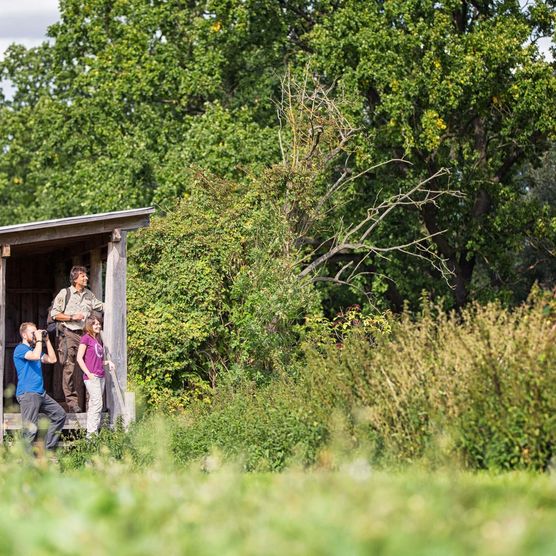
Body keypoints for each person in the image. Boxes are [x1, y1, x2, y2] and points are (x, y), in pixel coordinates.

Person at [50, 266, 104, 413]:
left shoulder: (89, 295)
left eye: (86, 275)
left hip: (86, 335)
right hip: (69, 333)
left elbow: (102, 306)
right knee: (70, 368)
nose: (86, 278)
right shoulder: (65, 293)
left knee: (91, 366)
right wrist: (73, 317)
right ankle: (72, 403)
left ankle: (91, 402)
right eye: (83, 276)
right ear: (75, 279)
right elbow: (55, 314)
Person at [13, 322, 66, 452]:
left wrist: (47, 341)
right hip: (28, 394)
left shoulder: (34, 349)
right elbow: (35, 356)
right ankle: (27, 463)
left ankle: (48, 451)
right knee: (30, 429)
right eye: (33, 332)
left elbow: (53, 360)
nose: (36, 334)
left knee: (60, 415)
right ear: (24, 335)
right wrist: (39, 341)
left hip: (41, 393)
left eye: (37, 332)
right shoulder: (20, 349)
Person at [76, 315, 114, 437]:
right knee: (97, 404)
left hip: (100, 376)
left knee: (95, 404)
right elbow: (79, 358)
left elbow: (96, 360)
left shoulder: (97, 340)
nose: (98, 326)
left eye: (99, 323)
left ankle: (92, 434)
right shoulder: (85, 338)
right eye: (95, 324)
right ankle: (91, 435)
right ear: (89, 326)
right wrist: (88, 373)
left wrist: (107, 362)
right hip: (92, 377)